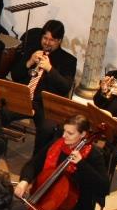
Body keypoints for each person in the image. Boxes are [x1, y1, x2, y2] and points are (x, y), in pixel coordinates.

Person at [9, 20, 78, 155]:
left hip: (45, 105)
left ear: (59, 41)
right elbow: (15, 76)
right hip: (25, 99)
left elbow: (65, 87)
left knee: (48, 129)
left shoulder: (68, 60)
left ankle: (37, 162)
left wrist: (50, 69)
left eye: (51, 40)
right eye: (45, 38)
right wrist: (29, 62)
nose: (47, 43)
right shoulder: (33, 51)